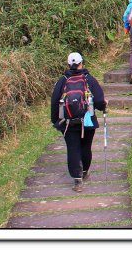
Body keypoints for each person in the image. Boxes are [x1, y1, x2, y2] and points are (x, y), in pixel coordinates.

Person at [50, 52, 107, 192]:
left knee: (72, 148)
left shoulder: (62, 80)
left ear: (68, 64)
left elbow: (54, 101)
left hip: (68, 122)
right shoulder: (89, 79)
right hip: (88, 121)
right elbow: (99, 100)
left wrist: (56, 121)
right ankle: (85, 171)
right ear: (82, 63)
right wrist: (103, 106)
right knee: (86, 147)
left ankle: (77, 180)